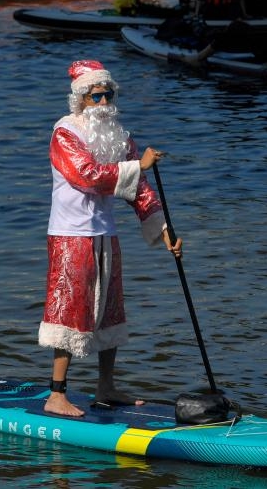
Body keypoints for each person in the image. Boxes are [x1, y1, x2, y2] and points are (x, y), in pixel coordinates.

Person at [41, 60, 182, 417]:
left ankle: (106, 387)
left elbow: (141, 190)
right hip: (71, 235)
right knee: (70, 310)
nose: (104, 104)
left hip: (105, 232)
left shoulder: (119, 136)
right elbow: (87, 176)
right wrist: (139, 166)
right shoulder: (65, 132)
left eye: (108, 96)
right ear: (80, 100)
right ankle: (56, 394)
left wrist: (165, 232)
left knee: (111, 309)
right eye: (96, 97)